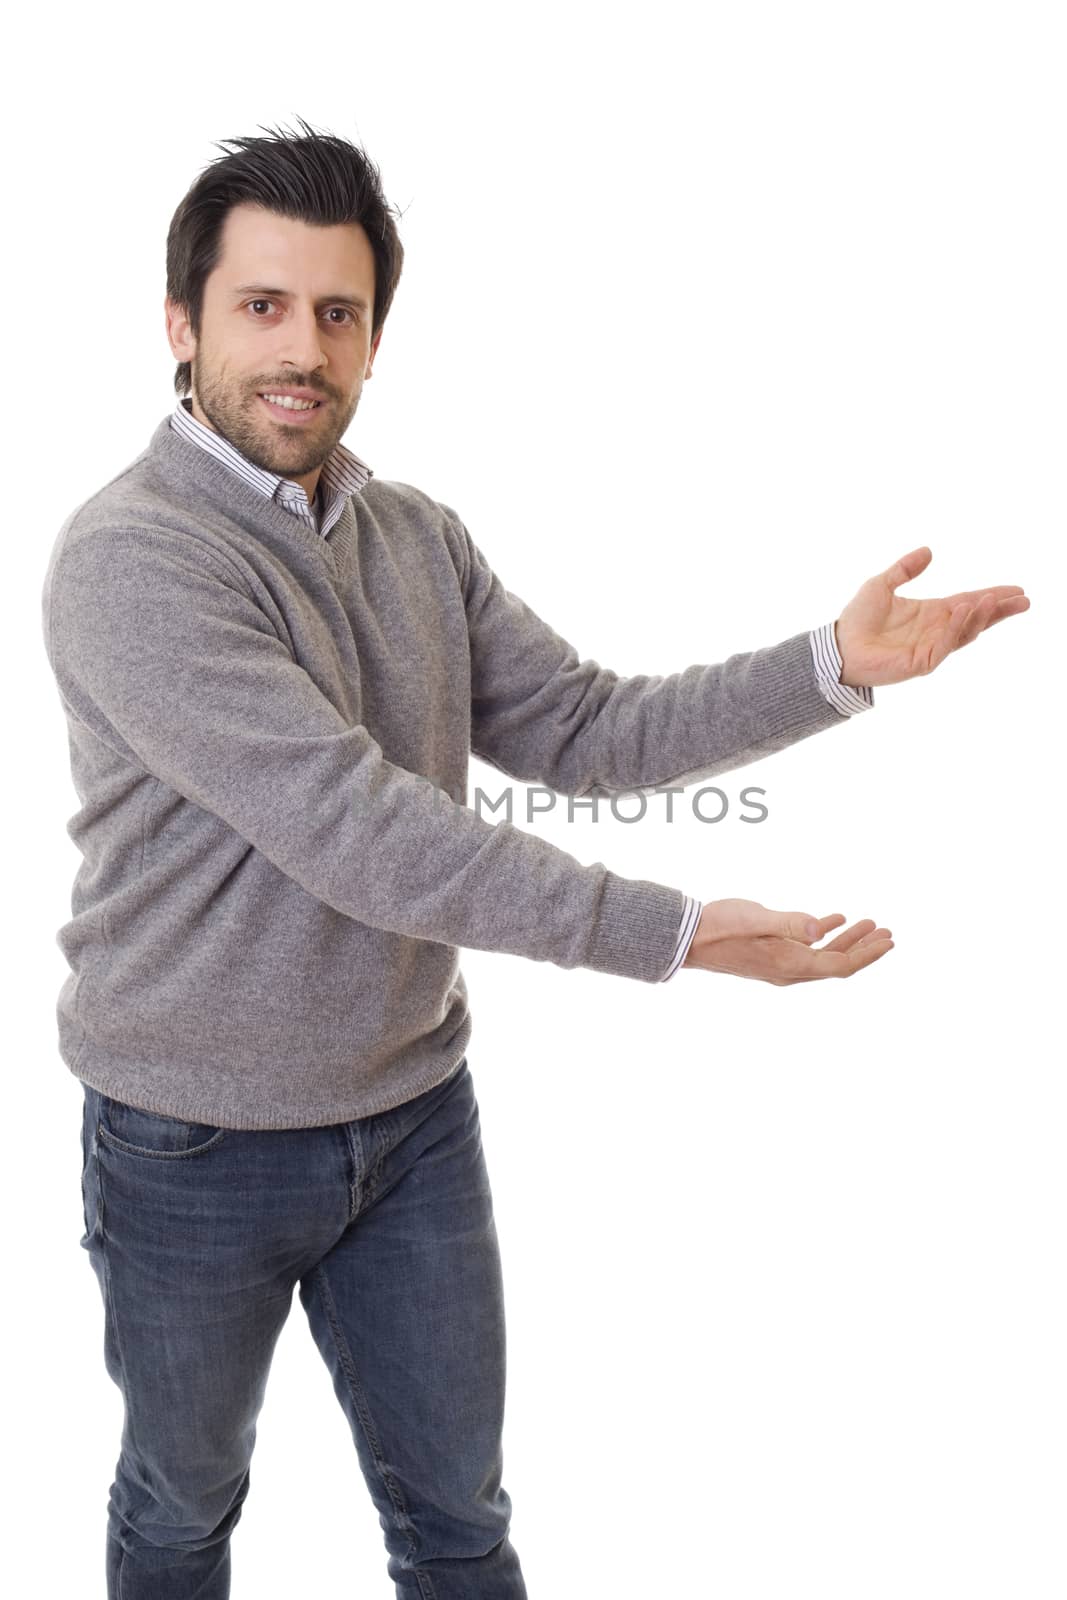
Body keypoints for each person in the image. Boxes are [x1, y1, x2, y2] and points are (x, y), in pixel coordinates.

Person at [39, 116, 1030, 1600]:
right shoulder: (132, 561)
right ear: (181, 325)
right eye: (262, 307)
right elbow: (363, 836)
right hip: (191, 1143)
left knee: (460, 1524)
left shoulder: (413, 537)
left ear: (373, 340)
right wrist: (680, 930)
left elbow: (584, 727)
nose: (302, 347)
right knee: (184, 1507)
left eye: (338, 312)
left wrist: (831, 666)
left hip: (412, 1117)